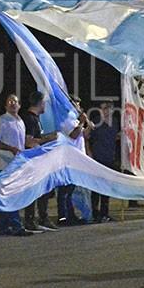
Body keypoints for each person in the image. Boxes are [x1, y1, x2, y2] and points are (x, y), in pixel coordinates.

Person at [0, 94, 34, 236]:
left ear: (19, 105)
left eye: (15, 101)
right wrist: (11, 149)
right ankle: (16, 225)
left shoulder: (20, 121)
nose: (12, 103)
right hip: (4, 163)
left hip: (16, 164)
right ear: (5, 106)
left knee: (10, 194)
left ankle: (2, 225)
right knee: (10, 194)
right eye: (9, 102)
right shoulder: (1, 121)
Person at [19, 91, 59, 232]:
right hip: (32, 161)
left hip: (38, 161)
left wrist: (50, 135)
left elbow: (37, 136)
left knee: (43, 190)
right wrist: (49, 139)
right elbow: (28, 141)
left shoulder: (35, 119)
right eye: (44, 103)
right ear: (41, 103)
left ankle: (42, 218)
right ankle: (30, 220)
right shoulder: (29, 119)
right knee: (34, 191)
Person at [57, 95, 90, 225]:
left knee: (70, 190)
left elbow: (82, 136)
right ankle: (63, 217)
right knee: (65, 190)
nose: (78, 106)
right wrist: (81, 122)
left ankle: (70, 215)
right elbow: (73, 135)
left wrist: (87, 126)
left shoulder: (74, 120)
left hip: (78, 158)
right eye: (76, 103)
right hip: (70, 158)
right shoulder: (67, 119)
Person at [88, 100, 118, 223]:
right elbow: (87, 137)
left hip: (109, 157)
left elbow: (116, 136)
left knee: (107, 187)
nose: (104, 111)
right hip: (97, 157)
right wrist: (89, 153)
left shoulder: (115, 122)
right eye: (102, 108)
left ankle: (105, 212)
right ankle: (95, 213)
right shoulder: (96, 121)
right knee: (96, 187)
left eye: (106, 108)